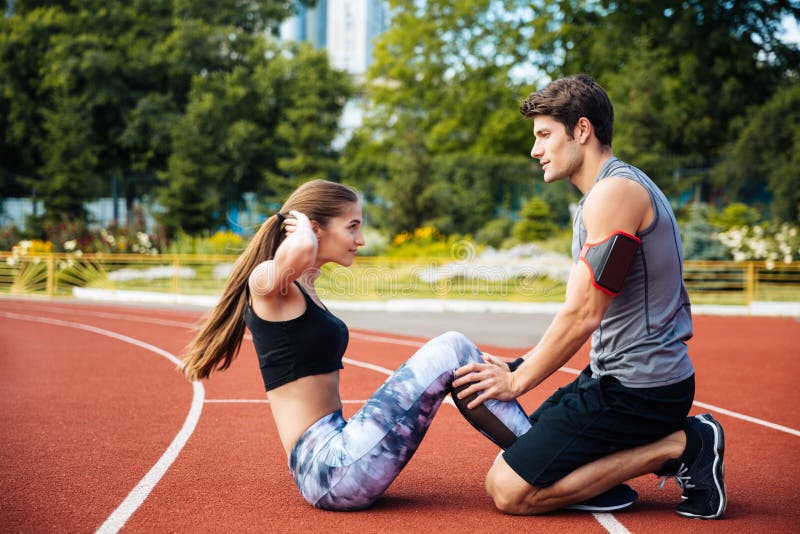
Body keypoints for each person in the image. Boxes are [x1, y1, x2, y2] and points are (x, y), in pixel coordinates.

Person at [452, 74, 727, 519]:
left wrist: (517, 382)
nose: (534, 150)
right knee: (521, 442)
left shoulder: (615, 194)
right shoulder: (607, 193)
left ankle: (683, 444)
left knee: (508, 489)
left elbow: (583, 313)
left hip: (641, 390)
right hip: (613, 378)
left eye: (544, 135)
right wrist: (520, 362)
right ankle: (603, 481)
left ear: (582, 130)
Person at [179, 179, 534, 511]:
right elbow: (300, 250)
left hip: (338, 455)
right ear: (315, 228)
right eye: (352, 226)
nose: (360, 239)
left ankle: (539, 448)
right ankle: (544, 456)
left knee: (460, 358)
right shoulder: (268, 286)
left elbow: (303, 257)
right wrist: (302, 228)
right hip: (327, 469)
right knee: (451, 348)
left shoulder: (303, 287)